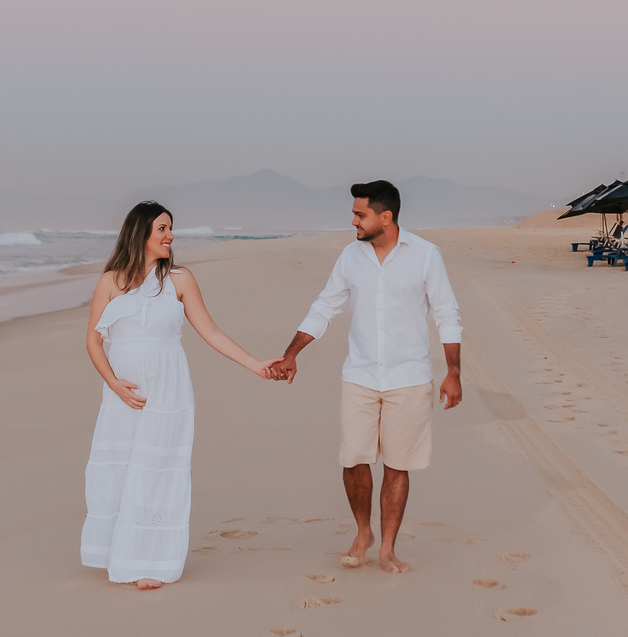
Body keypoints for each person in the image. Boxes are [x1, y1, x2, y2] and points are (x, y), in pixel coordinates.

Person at [268, 180, 461, 574]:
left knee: (397, 463)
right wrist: (291, 353)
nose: (353, 220)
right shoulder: (350, 257)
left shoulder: (425, 255)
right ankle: (363, 530)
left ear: (385, 217)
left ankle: (387, 548)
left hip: (409, 377)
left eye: (360, 214)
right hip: (360, 374)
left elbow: (446, 314)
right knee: (354, 458)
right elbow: (325, 306)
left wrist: (453, 372)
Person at [81, 201, 273, 590]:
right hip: (122, 396)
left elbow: (212, 333)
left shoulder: (180, 280)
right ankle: (118, 552)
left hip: (168, 394)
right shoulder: (110, 282)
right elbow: (93, 340)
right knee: (120, 469)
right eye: (162, 229)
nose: (170, 236)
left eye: (171, 229)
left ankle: (151, 561)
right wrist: (114, 384)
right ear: (141, 233)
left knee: (158, 473)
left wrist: (256, 365)